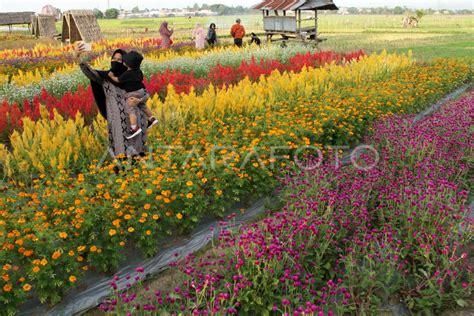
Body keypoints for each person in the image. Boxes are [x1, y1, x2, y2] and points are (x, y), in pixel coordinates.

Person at [78, 47, 149, 160]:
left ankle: (138, 176)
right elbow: (88, 71)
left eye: (119, 60)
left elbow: (144, 93)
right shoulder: (104, 77)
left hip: (135, 121)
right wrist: (79, 57)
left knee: (137, 155)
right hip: (117, 122)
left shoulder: (131, 76)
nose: (115, 62)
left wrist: (139, 100)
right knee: (120, 154)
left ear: (125, 63)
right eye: (113, 59)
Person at [107, 51, 158, 139]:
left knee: (130, 110)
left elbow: (118, 80)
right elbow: (141, 79)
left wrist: (111, 76)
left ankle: (134, 128)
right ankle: (152, 118)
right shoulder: (139, 71)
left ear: (128, 64)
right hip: (142, 91)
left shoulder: (127, 73)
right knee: (143, 106)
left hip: (133, 94)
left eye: (123, 60)